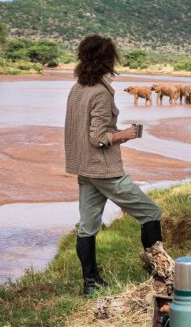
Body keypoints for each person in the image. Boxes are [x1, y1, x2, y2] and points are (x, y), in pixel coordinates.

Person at [64, 35, 163, 295]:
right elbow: (97, 137)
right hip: (104, 170)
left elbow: (85, 131)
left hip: (84, 168)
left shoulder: (78, 88)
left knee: (87, 226)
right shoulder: (101, 92)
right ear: (107, 59)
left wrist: (115, 134)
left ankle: (90, 283)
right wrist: (124, 134)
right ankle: (159, 275)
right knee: (150, 213)